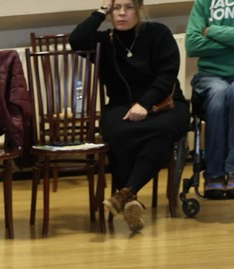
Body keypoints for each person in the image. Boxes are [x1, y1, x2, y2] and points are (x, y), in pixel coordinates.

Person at [70, 1, 190, 232]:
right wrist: (101, 10)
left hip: (163, 104)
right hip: (120, 105)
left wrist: (144, 104)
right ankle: (130, 199)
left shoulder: (158, 33)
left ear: (139, 9)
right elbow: (76, 40)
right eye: (116, 8)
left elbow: (167, 74)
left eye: (128, 7)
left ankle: (124, 194)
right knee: (119, 131)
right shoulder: (106, 41)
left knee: (161, 132)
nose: (121, 13)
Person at [186, 0, 234, 199]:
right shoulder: (203, 3)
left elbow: (202, 39)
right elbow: (191, 44)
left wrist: (211, 30)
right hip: (209, 76)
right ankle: (213, 174)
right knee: (218, 95)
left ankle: (232, 171)